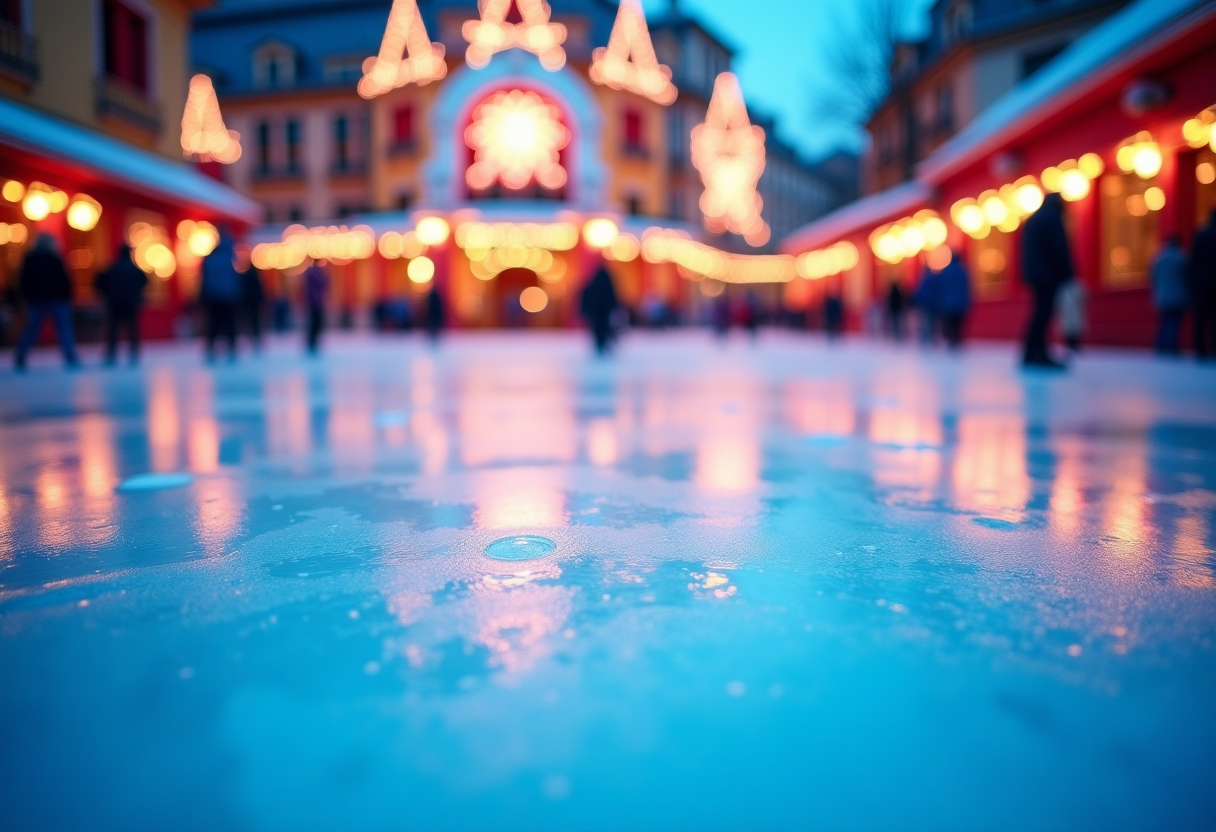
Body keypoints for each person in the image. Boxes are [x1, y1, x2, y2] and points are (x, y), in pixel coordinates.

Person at [1020, 192, 1073, 369]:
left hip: (1036, 275)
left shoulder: (1033, 219)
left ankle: (1031, 351)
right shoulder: (1051, 219)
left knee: (1039, 313)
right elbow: (1059, 248)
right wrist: (1068, 272)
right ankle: (1039, 352)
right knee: (1044, 313)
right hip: (1048, 275)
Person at [14, 234, 79, 371]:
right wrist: (69, 297)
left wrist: (25, 298)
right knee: (63, 328)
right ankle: (70, 355)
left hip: (36, 299)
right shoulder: (54, 258)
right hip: (57, 298)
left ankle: (21, 354)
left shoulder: (30, 259)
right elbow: (64, 280)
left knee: (32, 328)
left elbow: (23, 281)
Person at [94, 243, 148, 365]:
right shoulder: (134, 269)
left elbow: (99, 282)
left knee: (113, 329)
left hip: (114, 303)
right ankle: (133, 352)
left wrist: (106, 294)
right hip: (130, 303)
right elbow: (144, 281)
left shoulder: (112, 268)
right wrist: (137, 293)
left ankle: (112, 353)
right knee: (132, 328)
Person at [199, 232, 241, 363]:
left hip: (213, 296)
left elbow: (204, 278)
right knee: (229, 323)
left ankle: (211, 349)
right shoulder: (230, 257)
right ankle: (231, 349)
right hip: (228, 296)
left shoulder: (210, 258)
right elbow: (235, 278)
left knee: (214, 323)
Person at [1151, 235, 1189, 355]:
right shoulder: (1182, 257)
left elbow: (1153, 276)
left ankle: (1161, 345)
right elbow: (1187, 277)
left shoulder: (1159, 257)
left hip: (1162, 295)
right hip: (1178, 295)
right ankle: (1171, 346)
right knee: (1174, 322)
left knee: (1164, 321)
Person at [1190, 209, 1216, 359]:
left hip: (1201, 284)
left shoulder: (1201, 234)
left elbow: (1194, 261)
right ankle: (1213, 348)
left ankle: (1199, 349)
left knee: (1200, 318)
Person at [579, 264, 619, 356]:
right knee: (605, 328)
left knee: (598, 329)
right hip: (604, 312)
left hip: (597, 313)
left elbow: (586, 298)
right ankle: (604, 344)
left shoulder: (592, 285)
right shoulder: (607, 285)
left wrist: (585, 311)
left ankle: (600, 345)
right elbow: (612, 297)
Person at [937, 252, 971, 350]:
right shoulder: (963, 270)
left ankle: (951, 340)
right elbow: (967, 287)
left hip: (948, 302)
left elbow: (941, 287)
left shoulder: (946, 271)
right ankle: (957, 339)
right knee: (958, 323)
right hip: (960, 302)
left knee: (950, 322)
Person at [303, 258, 329, 354]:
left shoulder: (318, 273)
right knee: (314, 323)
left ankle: (314, 341)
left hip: (318, 302)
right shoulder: (313, 273)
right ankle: (311, 342)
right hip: (314, 303)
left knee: (318, 323)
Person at [1057, 278, 1087, 353]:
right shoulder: (1063, 286)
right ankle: (1070, 345)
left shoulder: (1076, 285)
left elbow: (1085, 296)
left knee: (1075, 328)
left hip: (1075, 310)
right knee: (1068, 328)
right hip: (1067, 311)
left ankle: (1073, 345)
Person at [913, 265, 941, 345]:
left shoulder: (925, 279)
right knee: (933, 321)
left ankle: (927, 337)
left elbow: (920, 292)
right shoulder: (935, 279)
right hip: (935, 304)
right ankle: (932, 337)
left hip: (926, 304)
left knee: (927, 321)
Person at [241, 264, 265, 352]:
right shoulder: (256, 276)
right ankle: (256, 338)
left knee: (249, 320)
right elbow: (259, 289)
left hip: (248, 301)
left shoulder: (245, 277)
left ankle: (251, 337)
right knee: (256, 320)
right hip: (254, 301)